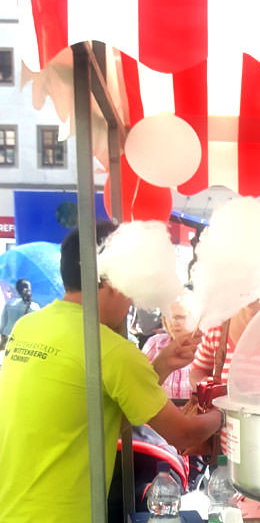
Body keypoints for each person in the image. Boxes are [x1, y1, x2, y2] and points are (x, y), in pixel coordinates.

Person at [0, 223, 224, 523]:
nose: (132, 300)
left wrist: (163, 365)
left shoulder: (27, 327)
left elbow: (97, 420)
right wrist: (225, 411)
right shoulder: (110, 350)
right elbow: (183, 433)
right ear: (116, 280)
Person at [142, 296, 195, 400]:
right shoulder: (154, 343)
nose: (174, 323)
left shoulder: (206, 347)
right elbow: (140, 382)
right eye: (169, 317)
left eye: (180, 317)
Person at [0, 278, 40, 349]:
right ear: (29, 289)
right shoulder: (35, 307)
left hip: (7, 336)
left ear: (17, 289)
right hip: (24, 340)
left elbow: (3, 324)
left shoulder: (9, 304)